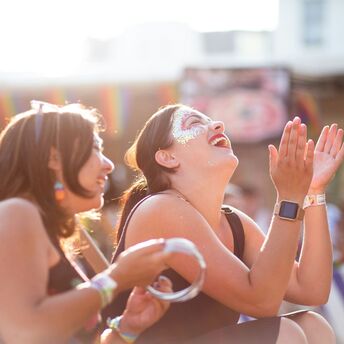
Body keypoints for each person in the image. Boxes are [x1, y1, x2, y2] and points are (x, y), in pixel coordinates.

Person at [108, 104, 342, 343]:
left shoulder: (234, 221)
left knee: (314, 326)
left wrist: (313, 191)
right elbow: (262, 303)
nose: (218, 125)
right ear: (167, 157)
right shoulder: (160, 208)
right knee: (287, 334)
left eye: (211, 120)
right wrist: (289, 197)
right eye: (194, 123)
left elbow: (312, 288)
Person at [0, 101, 174, 344]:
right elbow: (23, 333)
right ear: (53, 157)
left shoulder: (40, 227)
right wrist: (117, 278)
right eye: (95, 148)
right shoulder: (16, 212)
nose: (109, 164)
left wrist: (126, 329)